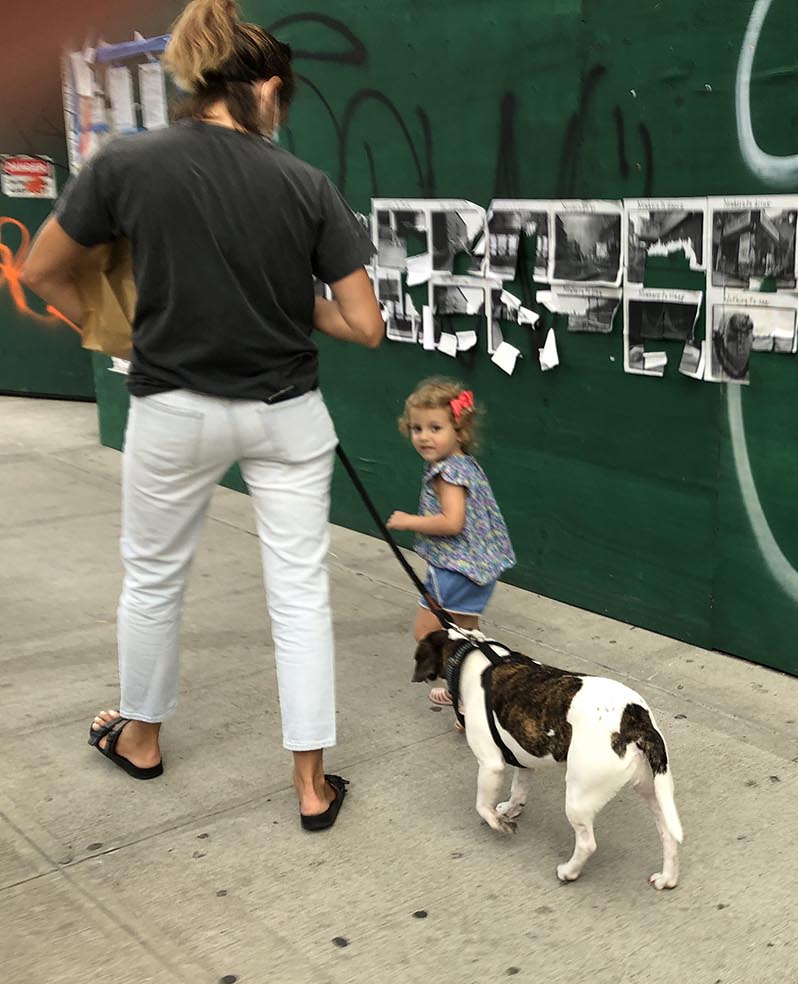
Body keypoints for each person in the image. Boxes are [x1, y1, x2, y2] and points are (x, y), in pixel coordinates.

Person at [20, 0, 383, 831]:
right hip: (287, 416)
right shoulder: (306, 184)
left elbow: (43, 269)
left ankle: (141, 739)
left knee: (152, 580)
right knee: (299, 595)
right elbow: (364, 325)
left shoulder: (126, 164)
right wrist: (297, 301)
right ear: (266, 88)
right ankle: (310, 788)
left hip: (171, 407)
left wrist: (109, 330)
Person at [387, 380, 516, 710]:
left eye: (435, 427)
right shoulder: (463, 463)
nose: (424, 436)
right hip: (476, 568)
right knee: (467, 635)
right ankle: (478, 691)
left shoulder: (448, 472)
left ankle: (465, 696)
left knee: (427, 634)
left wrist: (408, 521)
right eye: (417, 428)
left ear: (459, 431)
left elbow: (452, 521)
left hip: (457, 569)